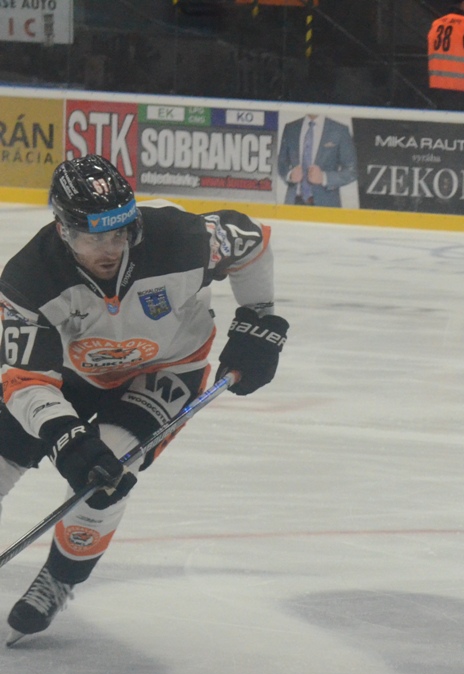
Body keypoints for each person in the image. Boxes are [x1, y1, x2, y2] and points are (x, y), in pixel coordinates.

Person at [0, 155, 287, 644]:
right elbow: (27, 380)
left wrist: (260, 318)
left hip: (165, 370)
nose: (110, 249)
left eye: (120, 233)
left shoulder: (182, 237)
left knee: (108, 471)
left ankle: (61, 577)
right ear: (64, 230)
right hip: (69, 373)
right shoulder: (29, 279)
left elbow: (250, 239)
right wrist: (63, 434)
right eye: (94, 238)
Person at [276, 113, 357, 208]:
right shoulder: (290, 128)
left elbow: (352, 171)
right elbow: (281, 162)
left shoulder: (339, 130)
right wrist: (290, 175)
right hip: (293, 203)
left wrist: (324, 177)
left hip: (327, 205)